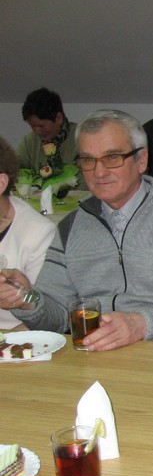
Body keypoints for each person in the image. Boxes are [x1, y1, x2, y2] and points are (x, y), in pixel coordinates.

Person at [0, 110, 153, 351]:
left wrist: (142, 325)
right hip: (95, 355)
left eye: (112, 158)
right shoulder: (71, 227)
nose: (99, 172)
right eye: (88, 160)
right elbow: (57, 318)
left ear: (141, 160)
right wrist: (27, 299)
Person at [0, 136, 56, 330]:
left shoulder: (37, 232)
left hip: (15, 337)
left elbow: (48, 314)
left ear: (1, 183)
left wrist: (24, 297)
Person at [16, 87, 85, 190]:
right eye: (32, 126)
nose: (37, 131)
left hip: (80, 198)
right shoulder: (30, 141)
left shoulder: (83, 137)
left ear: (59, 118)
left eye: (41, 126)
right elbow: (14, 166)